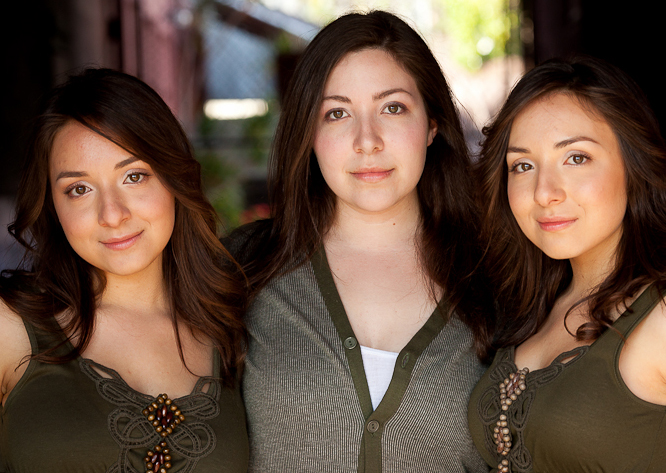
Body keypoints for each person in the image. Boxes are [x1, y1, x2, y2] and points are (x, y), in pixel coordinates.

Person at [228, 10, 493, 472]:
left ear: (431, 123)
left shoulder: (495, 273)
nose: (366, 140)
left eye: (392, 108)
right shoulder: (245, 267)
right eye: (337, 113)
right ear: (308, 134)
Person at [0, 69, 248, 472]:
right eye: (79, 189)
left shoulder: (234, 330)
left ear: (174, 178)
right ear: (52, 205)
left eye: (134, 176)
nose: (112, 215)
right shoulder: (9, 325)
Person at [468, 56, 666, 473]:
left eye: (575, 158)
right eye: (523, 165)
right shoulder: (526, 305)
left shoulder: (660, 314)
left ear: (633, 166)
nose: (544, 192)